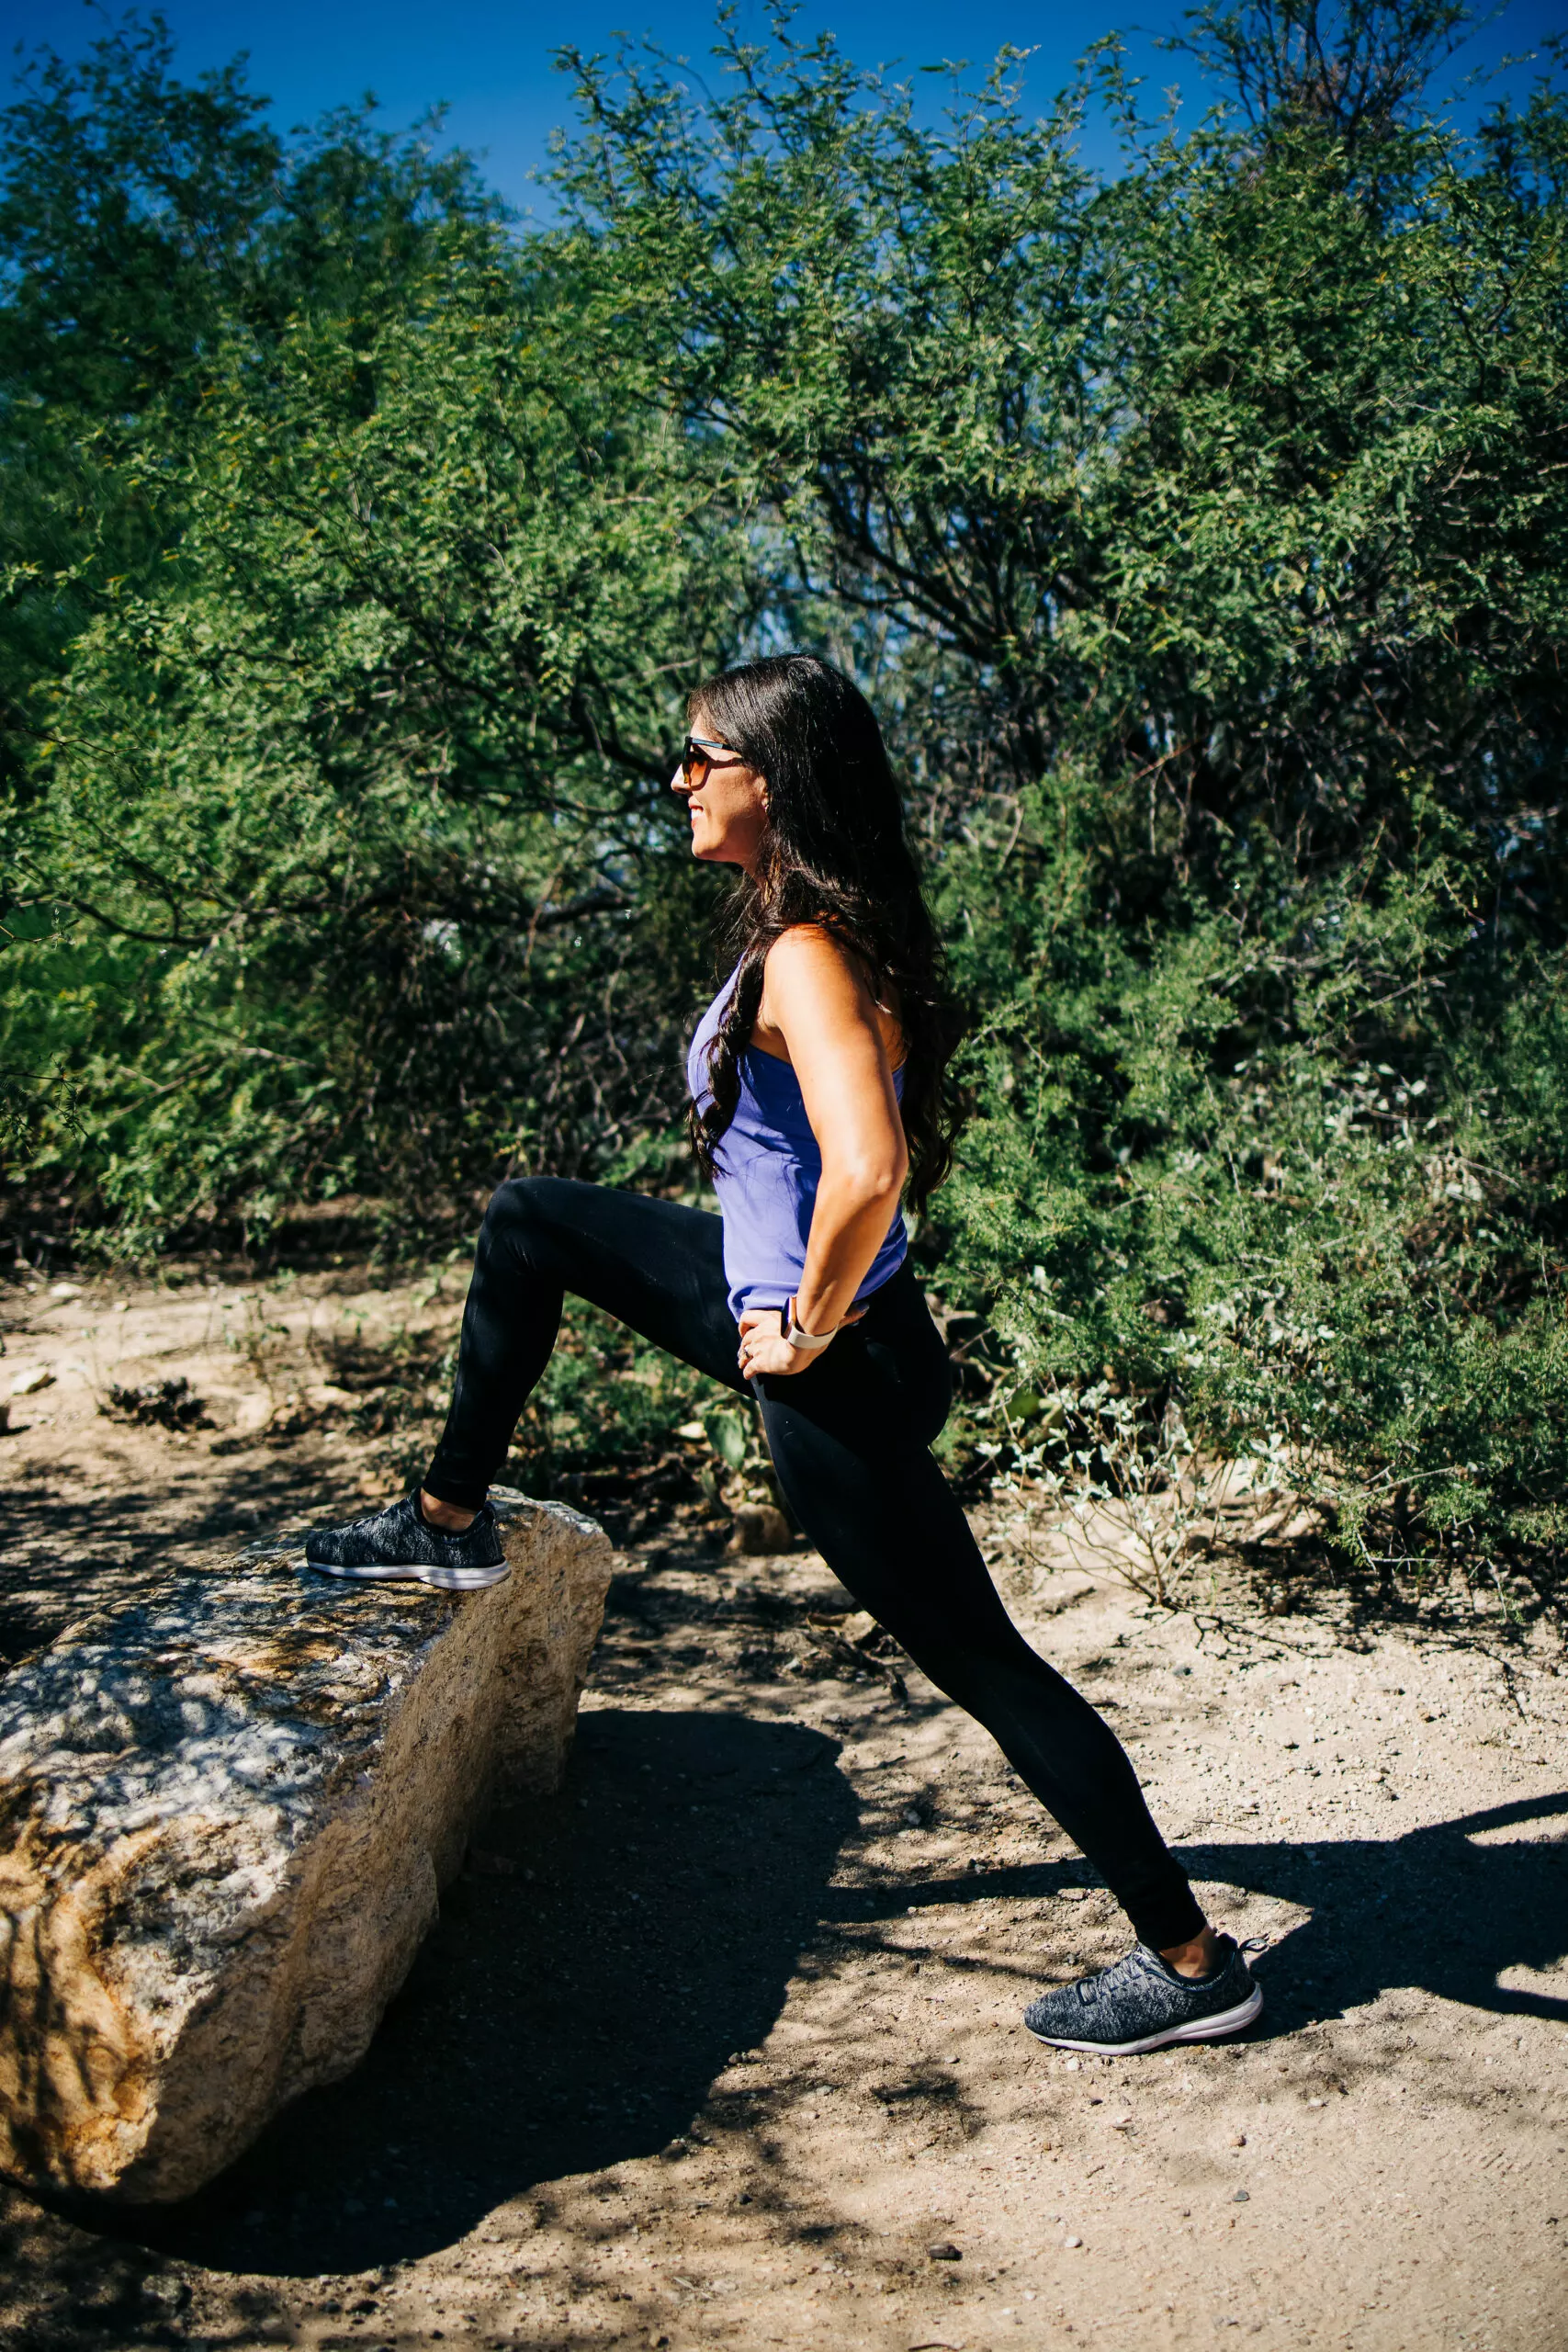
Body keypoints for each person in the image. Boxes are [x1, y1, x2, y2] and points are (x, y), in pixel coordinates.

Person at [304, 653, 1262, 2058]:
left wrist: (800, 1331)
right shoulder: (814, 931)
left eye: (702, 758)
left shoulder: (810, 952)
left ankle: (1191, 1964)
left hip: (833, 1366)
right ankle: (446, 1522)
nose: (677, 782)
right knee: (532, 1225)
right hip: (838, 1321)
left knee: (989, 1667)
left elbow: (867, 1167)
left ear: (776, 780)